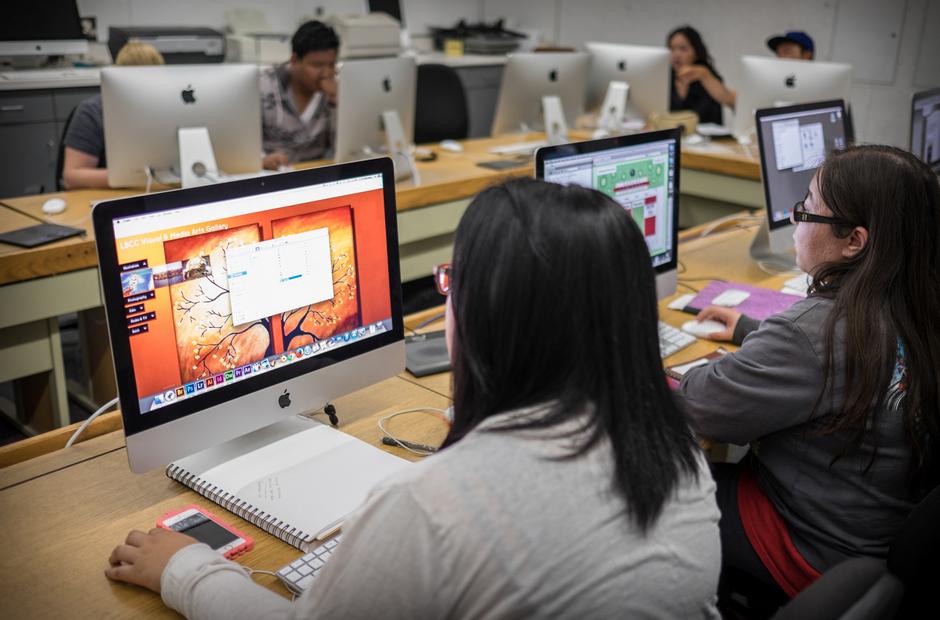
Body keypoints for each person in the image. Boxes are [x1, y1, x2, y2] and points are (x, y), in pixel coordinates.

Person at [104, 179, 723, 618]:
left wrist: (187, 571)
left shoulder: (430, 505)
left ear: (489, 319)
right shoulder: (673, 447)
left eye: (452, 283)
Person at [678, 145, 940, 606]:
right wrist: (753, 333)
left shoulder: (816, 332)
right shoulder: (915, 302)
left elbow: (702, 408)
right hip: (873, 536)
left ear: (853, 242)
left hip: (811, 549)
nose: (797, 224)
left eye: (807, 211)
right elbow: (839, 363)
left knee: (670, 485)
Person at [61, 42, 165, 190]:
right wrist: (140, 177)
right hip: (104, 196)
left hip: (152, 191)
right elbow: (72, 176)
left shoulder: (167, 108)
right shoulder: (93, 111)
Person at [260, 21, 339, 170]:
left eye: (331, 65)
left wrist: (337, 103)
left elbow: (345, 150)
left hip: (319, 173)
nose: (327, 74)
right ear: (295, 60)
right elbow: (243, 148)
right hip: (274, 175)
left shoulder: (335, 91)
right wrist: (263, 159)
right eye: (317, 65)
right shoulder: (264, 88)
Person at [667, 25, 736, 124]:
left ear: (696, 52)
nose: (676, 54)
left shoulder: (707, 76)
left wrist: (705, 75)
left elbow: (731, 101)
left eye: (683, 49)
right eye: (672, 49)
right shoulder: (666, 78)